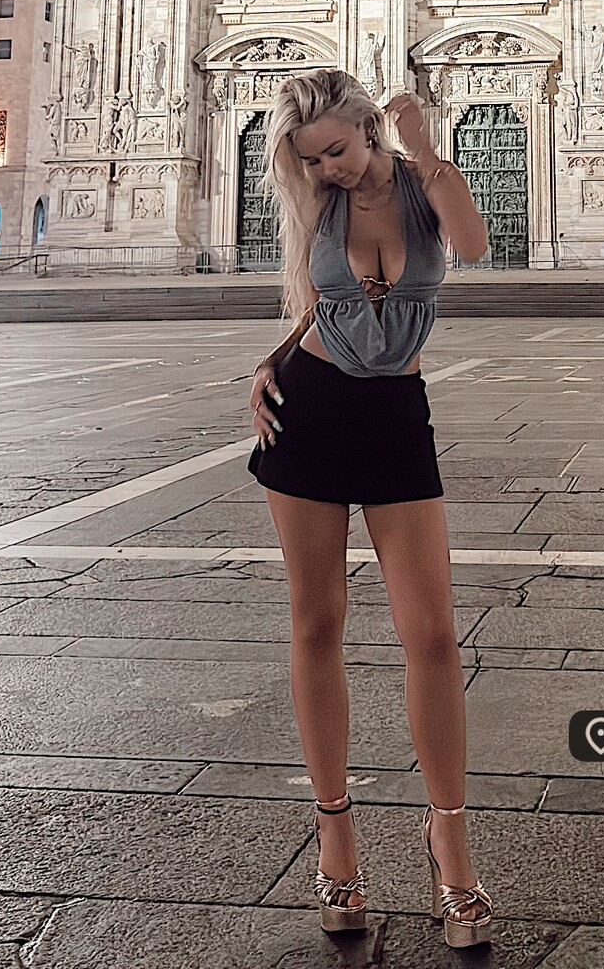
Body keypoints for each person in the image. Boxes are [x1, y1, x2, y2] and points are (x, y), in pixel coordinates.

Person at [248, 67, 493, 947]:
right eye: (313, 160)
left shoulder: (423, 188)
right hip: (308, 409)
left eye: (337, 151)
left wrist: (422, 148)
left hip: (395, 416)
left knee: (431, 634)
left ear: (367, 127)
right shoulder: (319, 200)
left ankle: (449, 843)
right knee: (317, 622)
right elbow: (321, 301)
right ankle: (336, 837)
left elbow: (474, 246)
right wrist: (270, 361)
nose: (329, 170)